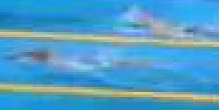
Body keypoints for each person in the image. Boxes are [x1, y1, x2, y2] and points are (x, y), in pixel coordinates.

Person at [9, 48, 152, 72]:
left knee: (115, 64)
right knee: (116, 64)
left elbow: (45, 53)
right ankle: (145, 63)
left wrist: (18, 56)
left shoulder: (52, 62)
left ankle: (145, 63)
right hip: (80, 62)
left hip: (80, 64)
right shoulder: (53, 61)